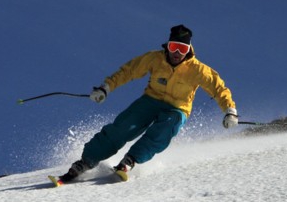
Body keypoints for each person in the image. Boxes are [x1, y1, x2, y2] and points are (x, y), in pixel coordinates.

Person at [58, 24, 239, 183]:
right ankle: (87, 161)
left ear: (189, 50)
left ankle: (130, 160)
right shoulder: (155, 58)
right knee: (123, 127)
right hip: (150, 101)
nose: (177, 53)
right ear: (167, 46)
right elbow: (128, 71)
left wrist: (230, 110)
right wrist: (105, 88)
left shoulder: (198, 70)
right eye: (174, 47)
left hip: (177, 108)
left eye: (182, 49)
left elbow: (219, 89)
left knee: (166, 128)